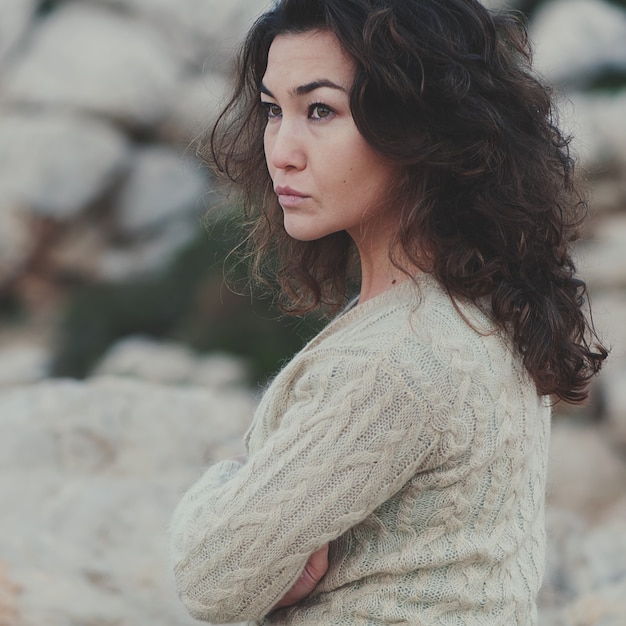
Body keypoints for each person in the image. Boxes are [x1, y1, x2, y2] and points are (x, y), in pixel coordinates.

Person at [169, 0, 608, 624]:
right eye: (273, 110)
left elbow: (210, 579)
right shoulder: (478, 310)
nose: (281, 152)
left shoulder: (392, 361)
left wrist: (225, 489)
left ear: (418, 128)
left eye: (320, 109)